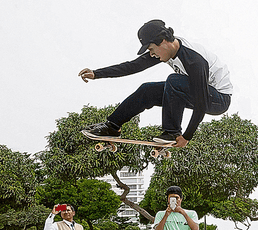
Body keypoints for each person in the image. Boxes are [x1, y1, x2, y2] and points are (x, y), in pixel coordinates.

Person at [79, 19, 233, 148]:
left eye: (152, 49)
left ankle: (172, 132)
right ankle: (112, 126)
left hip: (218, 99)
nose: (152, 54)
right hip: (195, 91)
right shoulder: (166, 49)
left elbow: (201, 103)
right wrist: (97, 73)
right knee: (148, 90)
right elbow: (133, 66)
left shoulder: (194, 60)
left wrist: (187, 136)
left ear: (163, 42)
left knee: (174, 81)